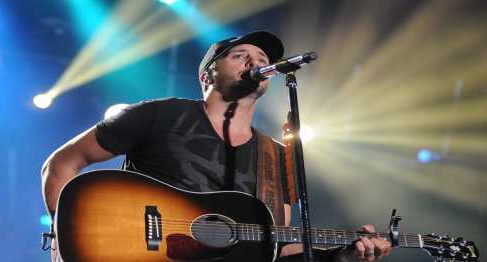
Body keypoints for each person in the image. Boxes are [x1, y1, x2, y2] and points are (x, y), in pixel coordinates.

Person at [41, 31, 392, 261]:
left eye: (261, 57)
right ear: (207, 74)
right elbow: (61, 164)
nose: (256, 62)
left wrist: (343, 255)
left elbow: (276, 248)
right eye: (240, 55)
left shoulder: (275, 157)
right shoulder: (158, 114)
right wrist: (65, 239)